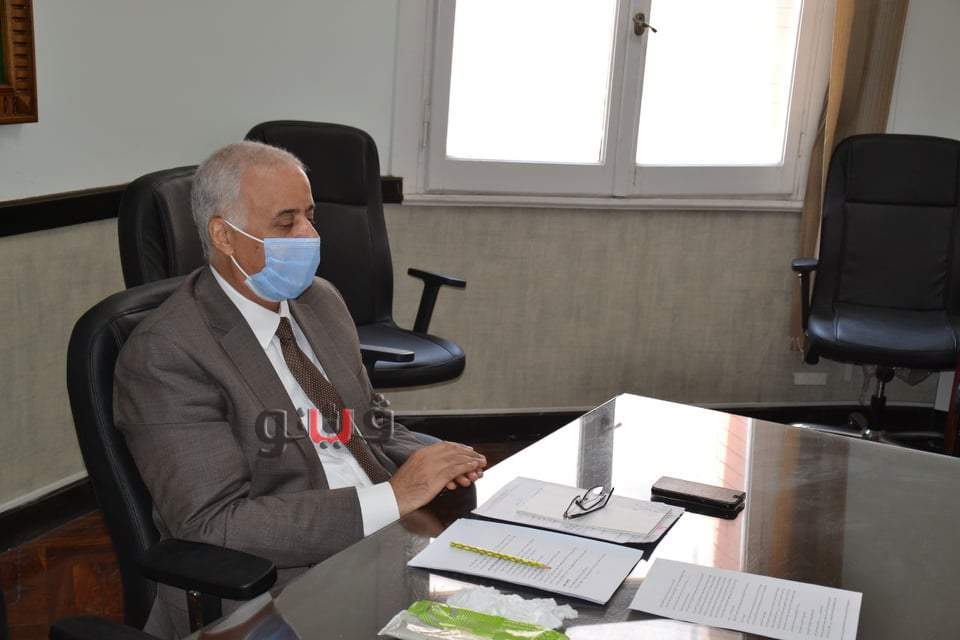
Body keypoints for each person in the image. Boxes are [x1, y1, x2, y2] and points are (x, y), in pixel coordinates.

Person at [114, 141, 486, 637]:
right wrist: (393, 497)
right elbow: (215, 524)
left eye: (310, 216)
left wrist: (432, 458)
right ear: (224, 236)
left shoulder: (320, 300)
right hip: (276, 589)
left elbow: (365, 418)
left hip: (387, 541)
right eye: (285, 223)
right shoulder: (166, 353)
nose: (309, 235)